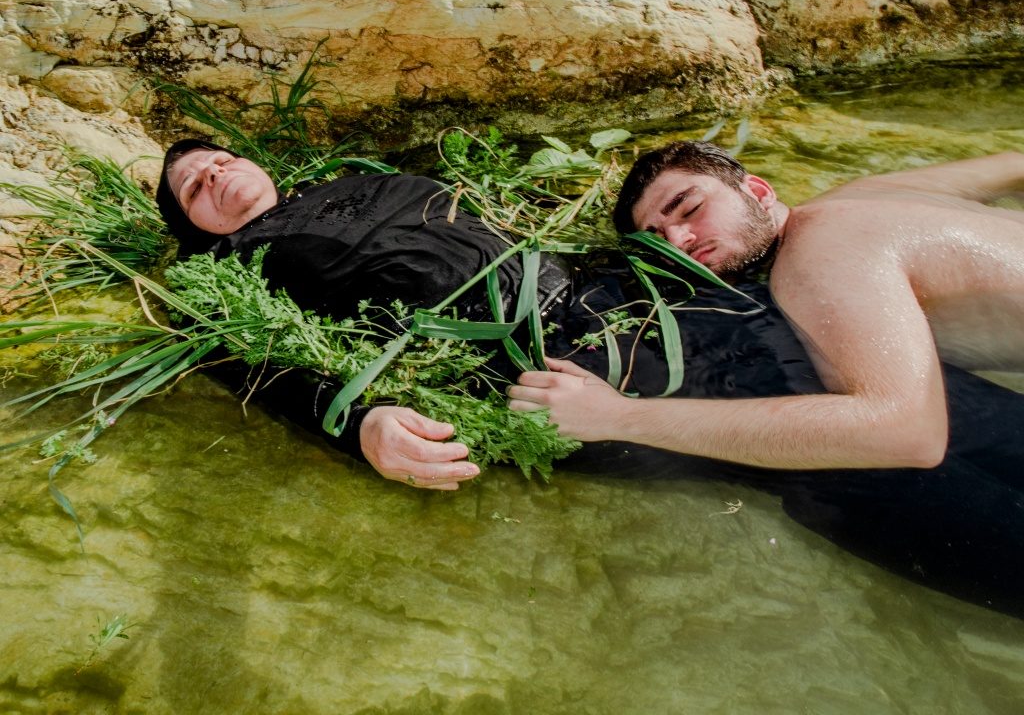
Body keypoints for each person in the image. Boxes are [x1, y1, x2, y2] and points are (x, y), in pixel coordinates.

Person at [156, 138, 1024, 618]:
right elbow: (253, 359)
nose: (216, 175)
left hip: (684, 307)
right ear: (193, 230)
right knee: (853, 470)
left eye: (220, 158)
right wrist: (362, 420)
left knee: (947, 412)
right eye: (194, 187)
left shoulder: (367, 176)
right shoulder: (225, 271)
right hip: (576, 365)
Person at [509, 142, 1024, 472]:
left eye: (690, 208)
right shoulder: (869, 193)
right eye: (659, 238)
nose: (682, 238)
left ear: (757, 189)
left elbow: (907, 432)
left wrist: (620, 417)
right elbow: (1011, 164)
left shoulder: (818, 257)